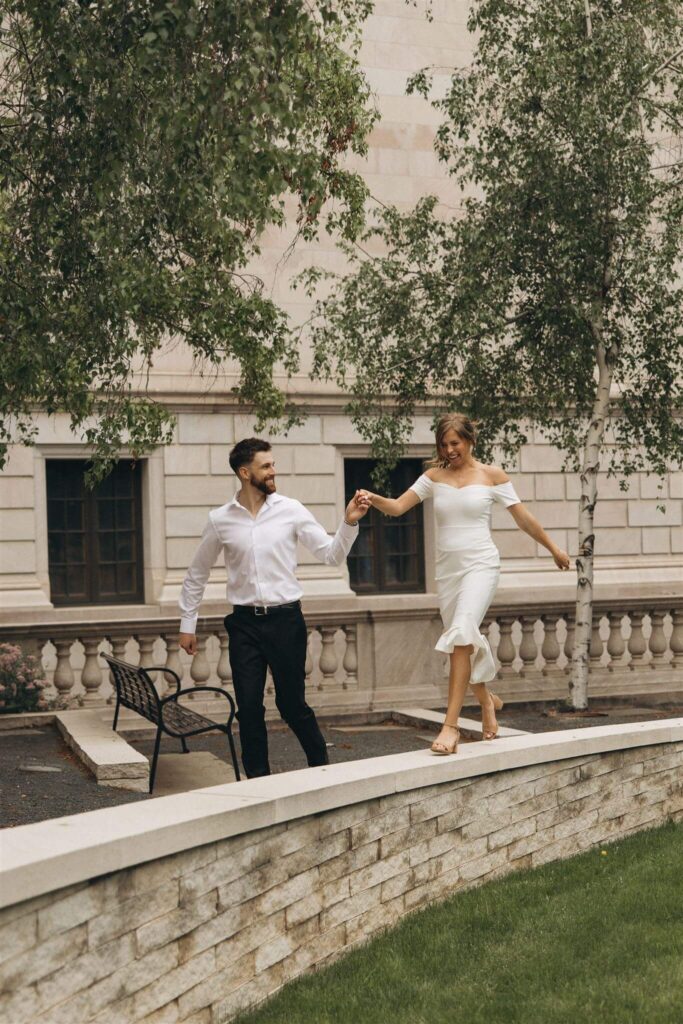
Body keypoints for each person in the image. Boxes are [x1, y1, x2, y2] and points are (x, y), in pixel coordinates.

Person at [356, 413, 570, 754]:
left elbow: (523, 518)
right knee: (463, 641)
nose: (449, 449)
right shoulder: (433, 476)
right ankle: (487, 701)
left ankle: (450, 726)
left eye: (455, 443)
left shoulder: (492, 476)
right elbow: (397, 508)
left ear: (470, 441)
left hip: (481, 565)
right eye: (444, 444)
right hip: (448, 571)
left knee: (460, 635)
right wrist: (371, 498)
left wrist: (554, 549)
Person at [178, 437, 369, 777]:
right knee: (249, 709)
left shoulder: (291, 510)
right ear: (244, 472)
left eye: (273, 464)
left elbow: (330, 554)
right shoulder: (220, 519)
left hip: (286, 621)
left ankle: (322, 773)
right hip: (244, 625)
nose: (272, 471)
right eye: (266, 466)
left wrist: (349, 522)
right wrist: (187, 623)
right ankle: (259, 785)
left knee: (291, 705)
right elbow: (197, 573)